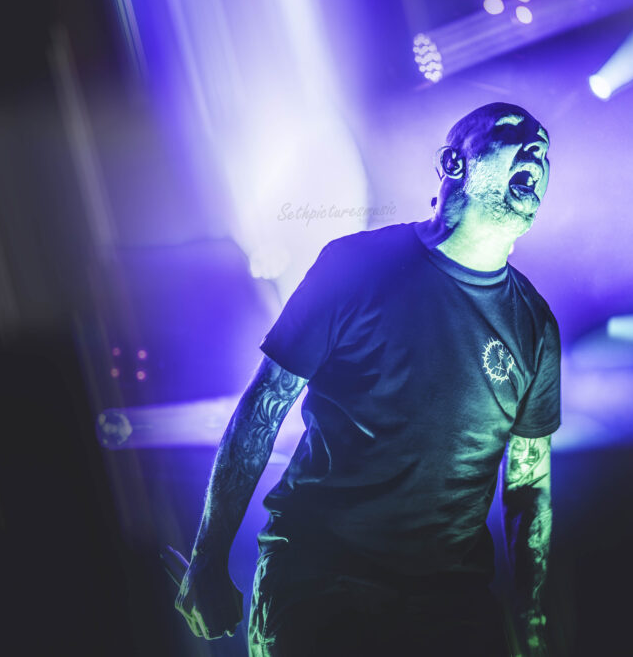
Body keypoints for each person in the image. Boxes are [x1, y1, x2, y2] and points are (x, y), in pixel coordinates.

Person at [174, 102, 560, 656]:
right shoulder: (355, 265)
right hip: (322, 587)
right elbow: (262, 409)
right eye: (511, 131)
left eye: (544, 145)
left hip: (451, 607)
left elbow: (529, 485)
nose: (538, 149)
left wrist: (531, 616)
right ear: (454, 163)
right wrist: (208, 559)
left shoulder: (535, 325)